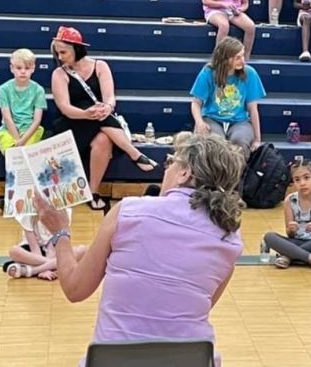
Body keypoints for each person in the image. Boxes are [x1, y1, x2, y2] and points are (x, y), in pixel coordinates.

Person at [35, 132, 245, 367]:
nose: (166, 170)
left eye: (171, 162)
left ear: (185, 173)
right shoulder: (230, 238)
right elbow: (193, 306)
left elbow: (75, 289)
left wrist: (60, 232)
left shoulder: (128, 211)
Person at [50, 26, 157, 212]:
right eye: (57, 53)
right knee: (89, 109)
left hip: (100, 121)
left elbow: (110, 98)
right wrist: (86, 113)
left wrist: (106, 108)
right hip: (73, 122)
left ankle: (93, 192)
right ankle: (134, 153)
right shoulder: (59, 74)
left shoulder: (100, 66)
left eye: (64, 52)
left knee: (103, 138)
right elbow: (65, 108)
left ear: (76, 48)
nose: (60, 57)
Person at [190, 36, 266, 159]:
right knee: (215, 143)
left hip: (240, 121)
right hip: (212, 118)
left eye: (242, 56)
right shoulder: (208, 72)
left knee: (240, 141)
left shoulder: (250, 73)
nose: (243, 61)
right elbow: (196, 103)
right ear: (225, 59)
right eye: (238, 58)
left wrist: (257, 139)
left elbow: (253, 109)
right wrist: (199, 122)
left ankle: (237, 177)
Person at [263, 158, 311, 272]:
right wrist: (291, 229)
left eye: (306, 178)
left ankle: (290, 256)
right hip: (296, 241)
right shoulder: (289, 200)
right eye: (297, 180)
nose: (302, 183)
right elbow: (290, 234)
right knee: (269, 236)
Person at [0, 48, 47, 211]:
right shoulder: (4, 89)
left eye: (27, 68)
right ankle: (18, 197)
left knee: (26, 155)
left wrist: (23, 141)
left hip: (30, 130)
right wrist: (17, 140)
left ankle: (16, 198)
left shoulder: (38, 90)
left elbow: (37, 120)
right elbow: (7, 116)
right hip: (9, 130)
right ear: (11, 68)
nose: (23, 72)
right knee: (14, 155)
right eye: (19, 68)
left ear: (33, 69)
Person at [4, 209, 86, 281]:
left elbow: (53, 247)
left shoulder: (63, 212)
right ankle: (54, 266)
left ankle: (32, 270)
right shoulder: (27, 214)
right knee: (14, 251)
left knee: (82, 250)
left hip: (53, 252)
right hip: (33, 253)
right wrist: (45, 270)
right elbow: (34, 247)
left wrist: (43, 268)